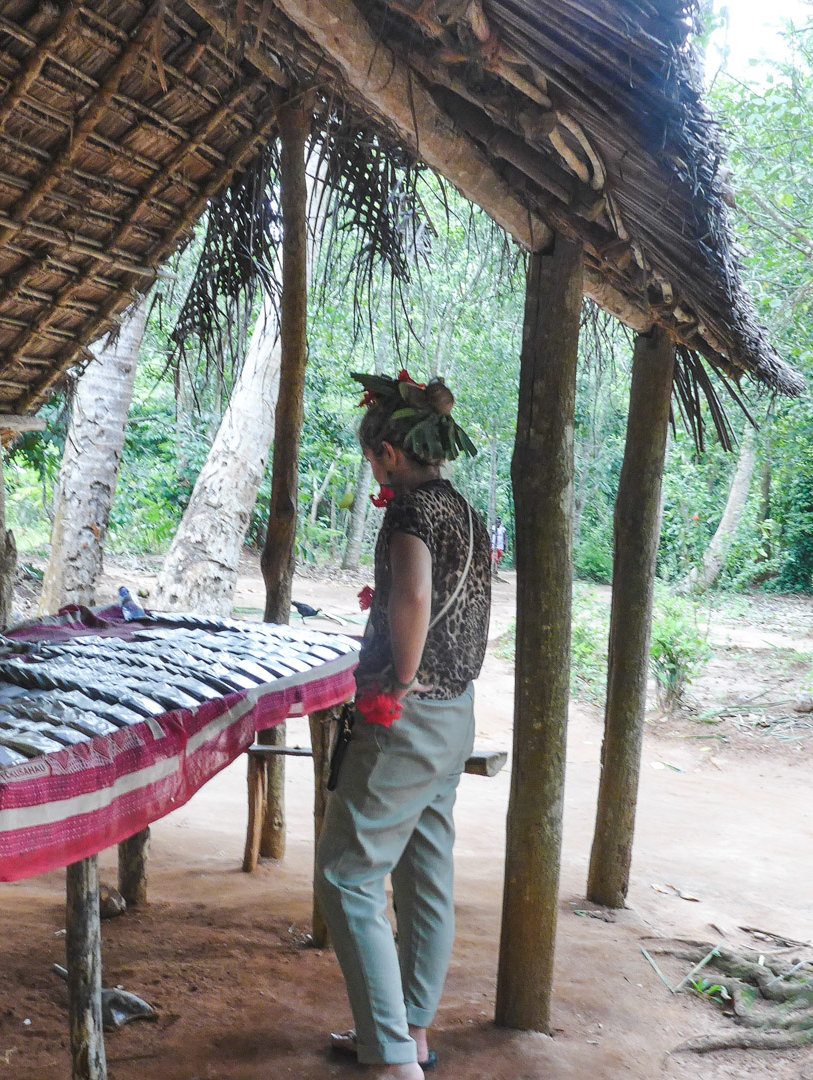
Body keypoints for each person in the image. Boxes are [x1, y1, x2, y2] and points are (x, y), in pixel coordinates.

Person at [318, 371, 491, 1079]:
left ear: (389, 453)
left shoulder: (414, 514)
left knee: (347, 877)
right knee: (425, 872)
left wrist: (400, 679)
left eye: (372, 461)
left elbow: (413, 595)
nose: (373, 472)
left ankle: (391, 1059)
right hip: (456, 715)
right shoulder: (466, 511)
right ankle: (412, 1030)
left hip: (410, 716)